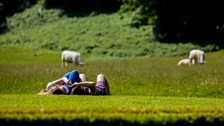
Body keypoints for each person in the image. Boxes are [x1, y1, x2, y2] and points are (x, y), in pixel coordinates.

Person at [38, 70, 110, 95]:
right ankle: (108, 93)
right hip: (101, 89)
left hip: (86, 87)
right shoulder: (89, 92)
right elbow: (93, 84)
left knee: (81, 75)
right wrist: (78, 84)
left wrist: (78, 84)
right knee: (100, 75)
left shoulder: (83, 89)